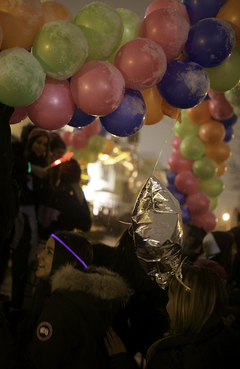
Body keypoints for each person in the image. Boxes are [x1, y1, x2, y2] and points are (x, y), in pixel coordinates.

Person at [15, 230, 129, 369]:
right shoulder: (87, 299)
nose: (40, 256)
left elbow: (41, 361)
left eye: (49, 252)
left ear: (71, 263)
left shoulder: (58, 306)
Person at [105, 265, 240, 369]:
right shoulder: (230, 336)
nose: (166, 305)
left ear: (183, 306)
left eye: (169, 298)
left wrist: (121, 361)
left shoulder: (171, 360)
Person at [92, 227, 169, 359]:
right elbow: (147, 341)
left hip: (89, 339)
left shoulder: (100, 257)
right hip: (120, 350)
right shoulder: (152, 284)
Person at [10, 128, 51, 311]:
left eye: (45, 144)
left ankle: (17, 308)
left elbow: (43, 197)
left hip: (30, 225)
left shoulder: (45, 166)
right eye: (38, 142)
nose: (41, 147)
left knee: (24, 268)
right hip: (13, 217)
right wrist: (28, 169)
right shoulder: (20, 157)